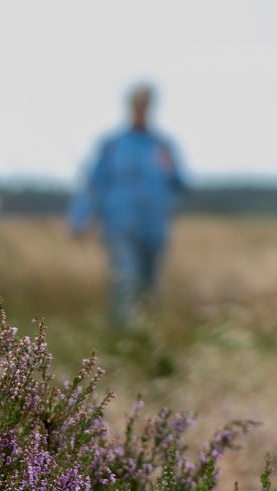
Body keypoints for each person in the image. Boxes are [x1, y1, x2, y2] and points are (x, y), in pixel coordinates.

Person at [69, 82, 187, 329]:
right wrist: (80, 218)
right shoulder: (113, 145)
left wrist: (170, 169)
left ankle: (148, 337)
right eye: (137, 105)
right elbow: (95, 183)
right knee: (125, 280)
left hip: (154, 228)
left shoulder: (163, 145)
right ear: (130, 107)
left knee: (149, 287)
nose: (141, 110)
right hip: (120, 225)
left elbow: (181, 183)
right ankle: (124, 334)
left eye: (145, 105)